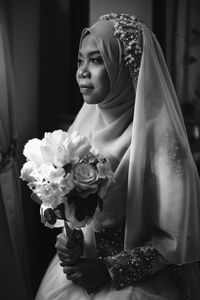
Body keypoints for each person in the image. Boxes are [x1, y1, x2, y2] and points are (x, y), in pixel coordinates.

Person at [35, 13, 200, 300]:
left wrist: (110, 269)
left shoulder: (161, 137)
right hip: (80, 271)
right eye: (80, 60)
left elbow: (179, 237)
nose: (82, 71)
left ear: (125, 66)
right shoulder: (83, 126)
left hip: (138, 281)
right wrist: (69, 239)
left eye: (96, 60)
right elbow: (70, 210)